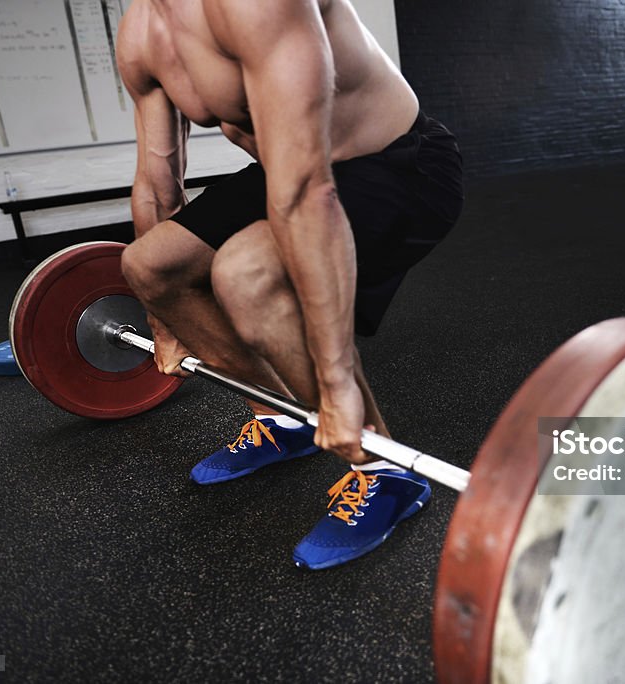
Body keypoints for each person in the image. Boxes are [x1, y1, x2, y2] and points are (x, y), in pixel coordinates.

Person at [115, 0, 463, 569]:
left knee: (246, 275)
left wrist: (336, 381)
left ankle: (384, 471)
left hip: (399, 165)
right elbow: (156, 186)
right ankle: (281, 421)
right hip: (288, 168)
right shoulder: (141, 34)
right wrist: (164, 319)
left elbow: (309, 192)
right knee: (148, 266)